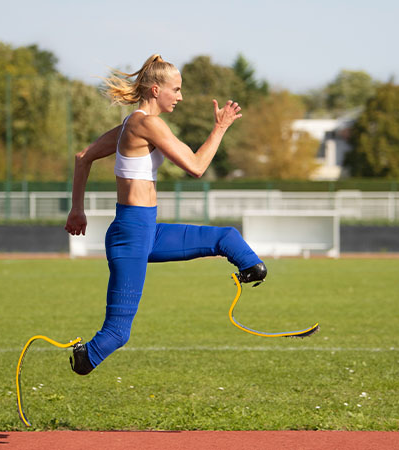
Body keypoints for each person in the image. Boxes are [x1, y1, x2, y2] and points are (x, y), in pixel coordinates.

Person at [64, 54, 267, 375]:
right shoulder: (146, 123)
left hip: (145, 230)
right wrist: (220, 127)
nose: (181, 96)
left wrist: (77, 209)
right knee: (117, 333)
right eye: (176, 89)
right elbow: (197, 167)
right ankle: (85, 357)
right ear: (156, 90)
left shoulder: (132, 125)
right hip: (131, 236)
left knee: (226, 236)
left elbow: (82, 157)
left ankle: (251, 266)